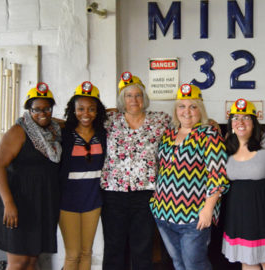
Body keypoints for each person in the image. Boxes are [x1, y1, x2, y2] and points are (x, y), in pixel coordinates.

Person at [150, 84, 229, 270]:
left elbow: (217, 175)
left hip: (194, 216)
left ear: (200, 109)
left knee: (195, 265)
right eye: (182, 106)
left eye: (193, 106)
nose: (187, 112)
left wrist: (208, 209)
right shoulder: (168, 134)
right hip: (163, 213)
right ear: (176, 110)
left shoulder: (209, 134)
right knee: (178, 263)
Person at [100, 72, 171, 270]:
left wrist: (211, 123)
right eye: (128, 95)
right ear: (122, 99)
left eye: (138, 95)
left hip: (146, 193)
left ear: (144, 98)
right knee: (114, 247)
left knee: (143, 247)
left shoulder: (160, 120)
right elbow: (80, 119)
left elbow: (186, 125)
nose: (134, 100)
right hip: (113, 192)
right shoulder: (109, 120)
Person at [0, 83, 61, 270]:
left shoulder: (53, 130)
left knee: (31, 260)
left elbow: (78, 120)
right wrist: (8, 203)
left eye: (47, 108)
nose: (42, 113)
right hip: (16, 202)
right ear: (29, 110)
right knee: (18, 262)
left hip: (39, 202)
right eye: (36, 109)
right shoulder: (18, 131)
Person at [222, 98, 265, 270]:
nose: (240, 122)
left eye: (246, 117)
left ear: (254, 122)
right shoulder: (226, 145)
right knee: (248, 260)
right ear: (231, 123)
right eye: (236, 117)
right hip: (239, 211)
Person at [59, 81, 107, 270]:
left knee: (87, 252)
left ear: (98, 111)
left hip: (93, 200)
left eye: (91, 109)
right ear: (73, 109)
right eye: (80, 109)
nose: (85, 114)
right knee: (73, 255)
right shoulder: (64, 134)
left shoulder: (103, 133)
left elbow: (117, 111)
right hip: (67, 201)